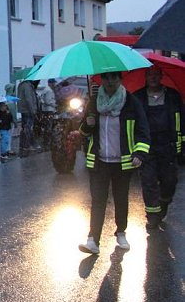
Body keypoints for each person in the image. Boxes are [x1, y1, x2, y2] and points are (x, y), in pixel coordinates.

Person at [78, 71, 150, 255]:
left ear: (120, 79)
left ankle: (121, 232)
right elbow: (83, 132)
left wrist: (140, 153)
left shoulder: (131, 102)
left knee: (120, 198)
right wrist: (88, 123)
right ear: (101, 80)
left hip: (123, 161)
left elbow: (143, 130)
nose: (110, 81)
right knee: (98, 200)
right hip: (99, 161)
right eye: (106, 78)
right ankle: (93, 240)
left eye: (114, 78)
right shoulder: (94, 102)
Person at [134, 66, 183, 231]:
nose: (153, 77)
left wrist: (181, 144)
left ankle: (164, 201)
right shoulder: (138, 97)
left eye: (156, 74)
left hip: (167, 145)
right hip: (147, 145)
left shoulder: (173, 96)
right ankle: (152, 217)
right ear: (145, 77)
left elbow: (181, 120)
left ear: (161, 76)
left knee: (169, 180)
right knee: (148, 181)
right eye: (150, 74)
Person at [17, 79, 40, 156]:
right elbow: (29, 99)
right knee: (28, 128)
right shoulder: (27, 86)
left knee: (25, 127)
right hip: (28, 110)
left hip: (23, 109)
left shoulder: (22, 85)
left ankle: (23, 145)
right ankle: (27, 145)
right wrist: (33, 110)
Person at [36, 78, 57, 150]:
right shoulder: (49, 91)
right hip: (49, 110)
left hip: (45, 110)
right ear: (50, 83)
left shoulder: (45, 90)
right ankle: (47, 143)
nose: (54, 84)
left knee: (46, 126)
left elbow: (42, 100)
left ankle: (46, 142)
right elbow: (48, 101)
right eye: (53, 83)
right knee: (48, 127)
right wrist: (55, 105)